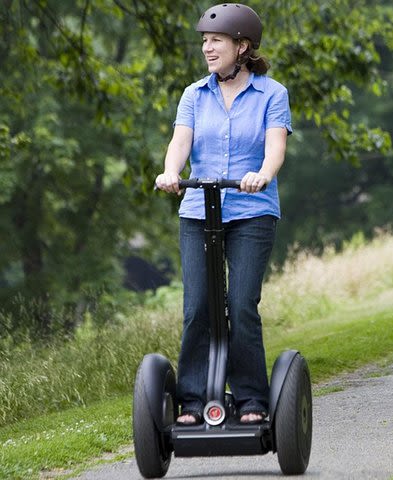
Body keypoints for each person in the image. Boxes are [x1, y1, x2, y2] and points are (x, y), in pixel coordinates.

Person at [154, 3, 292, 425]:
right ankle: (192, 401)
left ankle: (251, 398)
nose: (208, 49)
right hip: (198, 212)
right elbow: (181, 143)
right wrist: (171, 172)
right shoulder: (194, 94)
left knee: (241, 304)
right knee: (198, 306)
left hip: (252, 211)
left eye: (216, 41)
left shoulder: (272, 93)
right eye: (205, 42)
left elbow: (275, 149)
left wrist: (262, 174)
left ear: (242, 46)